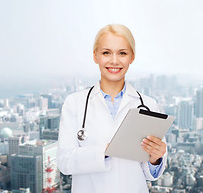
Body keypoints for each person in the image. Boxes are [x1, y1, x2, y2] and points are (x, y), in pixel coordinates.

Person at [57, 24, 167, 193]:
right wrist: (106, 151)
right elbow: (65, 162)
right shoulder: (75, 104)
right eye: (106, 52)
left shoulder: (149, 105)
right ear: (95, 56)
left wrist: (155, 158)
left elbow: (150, 174)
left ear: (132, 57)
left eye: (122, 53)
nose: (114, 60)